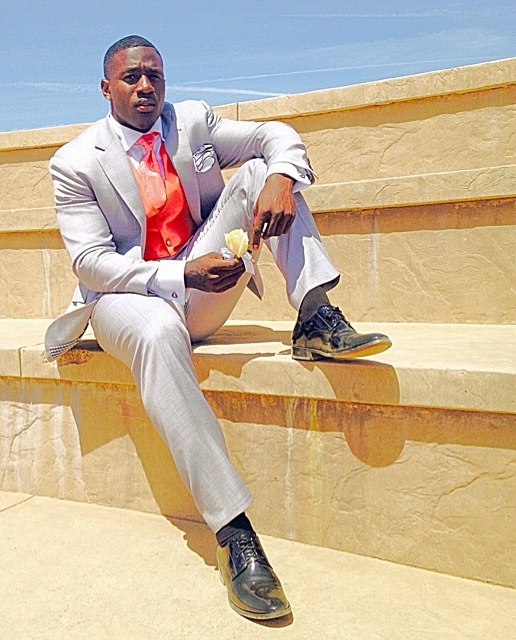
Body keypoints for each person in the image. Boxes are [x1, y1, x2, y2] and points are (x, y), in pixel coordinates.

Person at [45, 35, 391, 620]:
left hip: (204, 287)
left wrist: (283, 175)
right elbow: (92, 263)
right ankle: (234, 533)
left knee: (260, 171)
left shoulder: (191, 123)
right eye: (131, 77)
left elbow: (275, 133)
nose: (146, 86)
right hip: (127, 300)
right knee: (158, 333)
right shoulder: (75, 161)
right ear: (106, 88)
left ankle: (314, 315)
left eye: (154, 75)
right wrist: (181, 273)